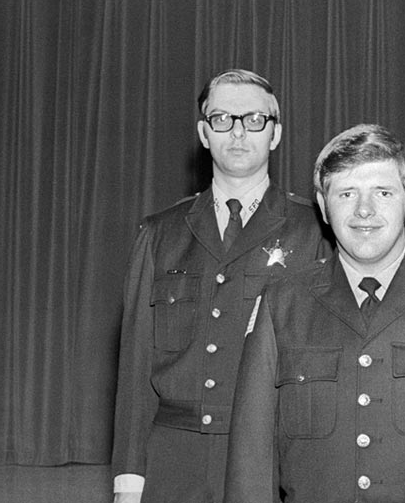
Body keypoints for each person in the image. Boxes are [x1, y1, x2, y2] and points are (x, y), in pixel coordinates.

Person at [223, 124, 405, 503]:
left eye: (383, 192)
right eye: (346, 193)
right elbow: (251, 461)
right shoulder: (282, 306)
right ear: (324, 207)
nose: (364, 210)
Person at [111, 69, 329, 503]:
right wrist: (128, 480)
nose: (237, 132)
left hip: (271, 457)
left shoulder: (314, 232)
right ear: (204, 134)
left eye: (253, 120)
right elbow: (135, 370)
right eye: (222, 119)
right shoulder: (160, 233)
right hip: (175, 459)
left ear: (275, 133)